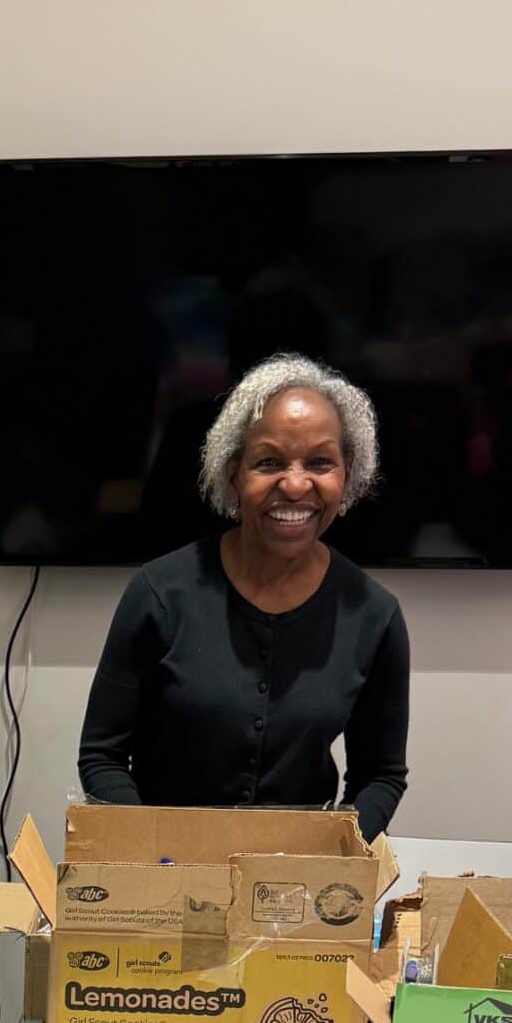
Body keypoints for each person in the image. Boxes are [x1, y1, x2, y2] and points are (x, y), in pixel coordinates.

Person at [78, 351, 410, 838]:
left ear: (347, 475)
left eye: (320, 462)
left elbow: (381, 775)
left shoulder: (374, 615)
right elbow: (102, 755)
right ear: (233, 475)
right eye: (269, 462)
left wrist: (332, 855)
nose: (295, 484)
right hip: (166, 865)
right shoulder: (159, 594)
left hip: (297, 873)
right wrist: (154, 852)